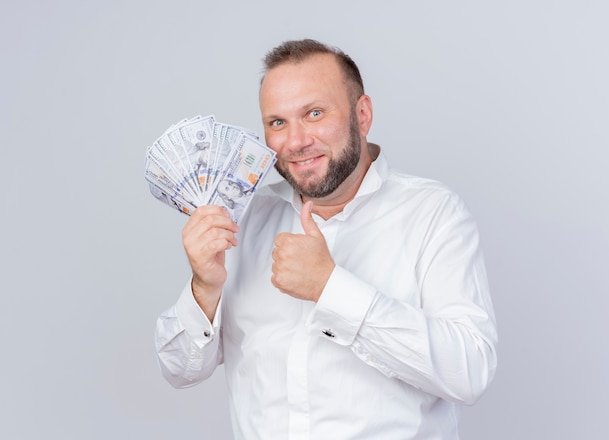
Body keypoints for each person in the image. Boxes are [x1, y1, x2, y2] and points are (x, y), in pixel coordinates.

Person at [155, 38, 497, 439]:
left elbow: (470, 372)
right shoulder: (244, 219)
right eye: (277, 122)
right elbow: (180, 371)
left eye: (314, 113)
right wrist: (204, 288)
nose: (296, 141)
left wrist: (330, 287)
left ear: (362, 114)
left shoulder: (433, 213)